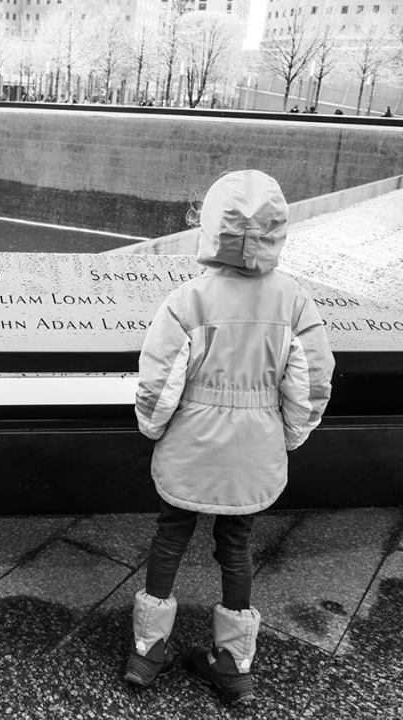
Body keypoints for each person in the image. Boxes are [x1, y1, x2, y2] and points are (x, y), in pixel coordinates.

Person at [123, 170, 335, 704]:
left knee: (171, 534)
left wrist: (153, 428)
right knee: (235, 543)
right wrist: (287, 436)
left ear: (211, 227)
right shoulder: (294, 302)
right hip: (253, 450)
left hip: (190, 445)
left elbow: (160, 381)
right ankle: (234, 661)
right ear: (277, 230)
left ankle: (148, 649)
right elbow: (310, 383)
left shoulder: (186, 299)